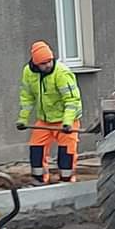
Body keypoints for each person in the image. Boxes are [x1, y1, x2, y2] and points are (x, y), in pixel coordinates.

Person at [16, 41, 83, 183]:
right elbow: (27, 97)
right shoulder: (28, 72)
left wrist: (67, 122)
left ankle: (66, 180)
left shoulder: (62, 73)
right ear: (36, 64)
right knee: (36, 149)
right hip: (44, 120)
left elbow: (72, 100)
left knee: (66, 153)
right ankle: (39, 180)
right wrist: (23, 119)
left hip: (66, 120)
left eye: (49, 61)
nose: (48, 65)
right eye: (43, 63)